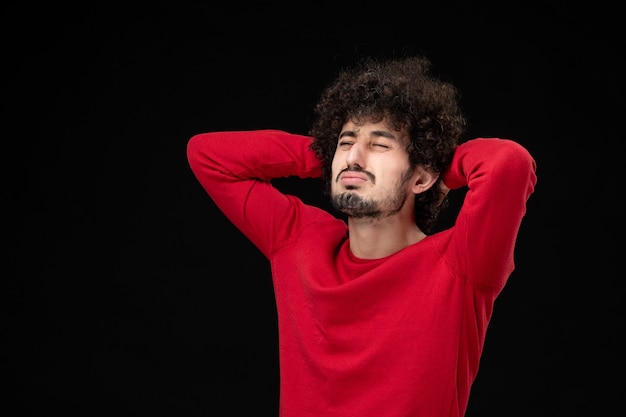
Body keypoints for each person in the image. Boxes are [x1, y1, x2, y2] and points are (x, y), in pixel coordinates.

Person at [186, 55, 537, 417]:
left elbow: (509, 163)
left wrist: (438, 167)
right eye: (346, 142)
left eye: (380, 145)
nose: (354, 157)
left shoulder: (460, 265)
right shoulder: (299, 241)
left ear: (420, 178)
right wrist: (326, 154)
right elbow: (208, 155)